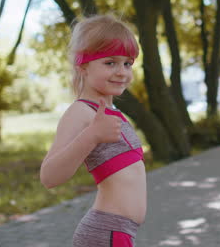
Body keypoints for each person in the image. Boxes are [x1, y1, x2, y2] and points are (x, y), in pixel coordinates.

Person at [40, 14, 146, 247]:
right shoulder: (81, 112)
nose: (122, 72)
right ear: (83, 67)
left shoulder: (112, 112)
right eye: (110, 63)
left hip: (120, 233)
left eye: (127, 63)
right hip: (105, 234)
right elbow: (49, 177)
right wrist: (91, 135)